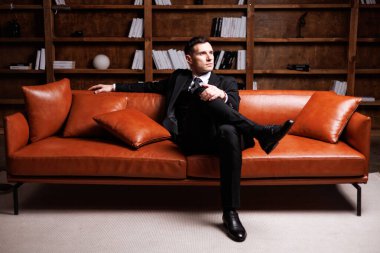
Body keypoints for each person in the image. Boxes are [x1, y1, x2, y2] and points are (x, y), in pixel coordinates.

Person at [89, 36, 293, 242]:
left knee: (229, 131)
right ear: (189, 59)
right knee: (201, 94)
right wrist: (113, 86)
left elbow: (233, 108)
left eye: (211, 53)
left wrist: (220, 93)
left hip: (221, 139)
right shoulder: (178, 78)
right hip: (192, 137)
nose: (209, 57)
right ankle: (261, 132)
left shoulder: (227, 82)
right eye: (202, 53)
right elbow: (148, 87)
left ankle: (230, 212)